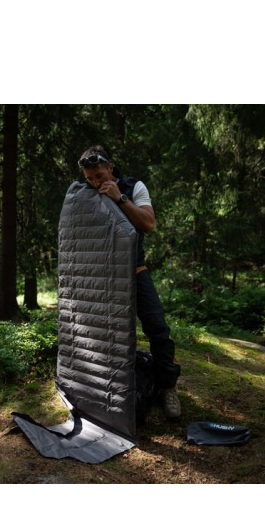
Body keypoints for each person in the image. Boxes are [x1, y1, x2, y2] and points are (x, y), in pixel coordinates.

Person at [77, 145, 182, 418]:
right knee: (103, 333)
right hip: (102, 277)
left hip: (135, 271)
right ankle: (104, 388)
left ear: (111, 168)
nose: (95, 183)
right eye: (90, 178)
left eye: (99, 176)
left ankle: (167, 387)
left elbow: (149, 224)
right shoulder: (83, 194)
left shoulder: (134, 187)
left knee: (158, 328)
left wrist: (120, 198)